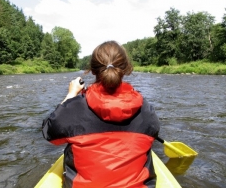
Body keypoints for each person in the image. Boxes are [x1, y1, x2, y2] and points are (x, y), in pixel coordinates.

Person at [42, 40, 160, 188]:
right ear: (127, 69)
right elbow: (154, 131)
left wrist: (71, 94)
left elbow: (49, 133)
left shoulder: (74, 107)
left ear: (92, 70)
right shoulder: (146, 109)